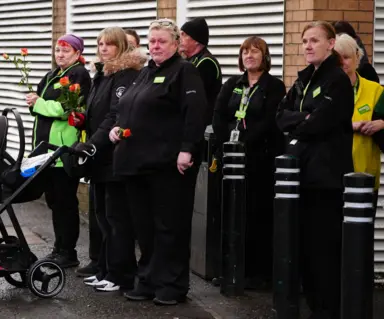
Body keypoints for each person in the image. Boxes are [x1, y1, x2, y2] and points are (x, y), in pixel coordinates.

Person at [110, 18, 207, 305]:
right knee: (145, 229)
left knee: (169, 227)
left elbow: (195, 112)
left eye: (161, 41)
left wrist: (187, 148)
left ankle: (172, 285)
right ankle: (148, 279)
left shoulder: (184, 72)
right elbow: (129, 107)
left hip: (167, 164)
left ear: (176, 44)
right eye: (152, 41)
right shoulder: (145, 72)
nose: (155, 46)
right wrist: (118, 127)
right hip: (136, 163)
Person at [276, 21, 354, 319]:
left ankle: (327, 309)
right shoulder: (303, 79)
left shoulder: (337, 80)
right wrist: (302, 116)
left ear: (331, 44)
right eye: (305, 40)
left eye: (315, 40)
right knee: (304, 248)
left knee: (324, 250)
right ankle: (311, 305)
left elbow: (320, 122)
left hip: (326, 177)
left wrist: (302, 120)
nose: (308, 46)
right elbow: (281, 117)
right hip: (300, 175)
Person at [212, 36, 286, 289]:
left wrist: (245, 141)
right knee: (231, 213)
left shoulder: (273, 86)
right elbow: (219, 114)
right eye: (245, 52)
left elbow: (270, 120)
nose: (249, 56)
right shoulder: (233, 83)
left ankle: (257, 273)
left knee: (257, 215)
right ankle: (230, 268)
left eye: (255, 52)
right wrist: (227, 143)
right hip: (231, 159)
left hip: (259, 159)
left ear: (265, 57)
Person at [76, 26, 145, 292]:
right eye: (100, 43)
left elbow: (114, 115)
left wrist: (92, 144)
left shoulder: (125, 75)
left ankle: (121, 274)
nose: (103, 48)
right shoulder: (103, 74)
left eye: (109, 44)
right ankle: (105, 268)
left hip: (114, 156)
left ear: (121, 47)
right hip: (99, 157)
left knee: (117, 219)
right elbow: (96, 111)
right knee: (102, 217)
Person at [25, 34, 91, 267]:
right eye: (57, 50)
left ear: (77, 53)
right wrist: (34, 103)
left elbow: (68, 108)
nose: (60, 55)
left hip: (63, 151)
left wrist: (39, 104)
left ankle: (67, 251)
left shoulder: (79, 75)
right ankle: (59, 247)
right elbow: (42, 107)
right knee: (54, 201)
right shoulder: (52, 75)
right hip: (45, 150)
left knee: (65, 202)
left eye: (65, 51)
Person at [334, 33, 384, 204]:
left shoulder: (375, 90)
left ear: (358, 57)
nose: (342, 62)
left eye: (346, 57)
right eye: (337, 58)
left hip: (365, 174)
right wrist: (350, 126)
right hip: (331, 176)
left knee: (363, 228)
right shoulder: (322, 89)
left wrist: (382, 123)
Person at [180, 17, 222, 125]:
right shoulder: (189, 59)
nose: (179, 38)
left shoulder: (206, 62)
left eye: (184, 35)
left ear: (196, 41)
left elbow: (192, 94)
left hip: (202, 124)